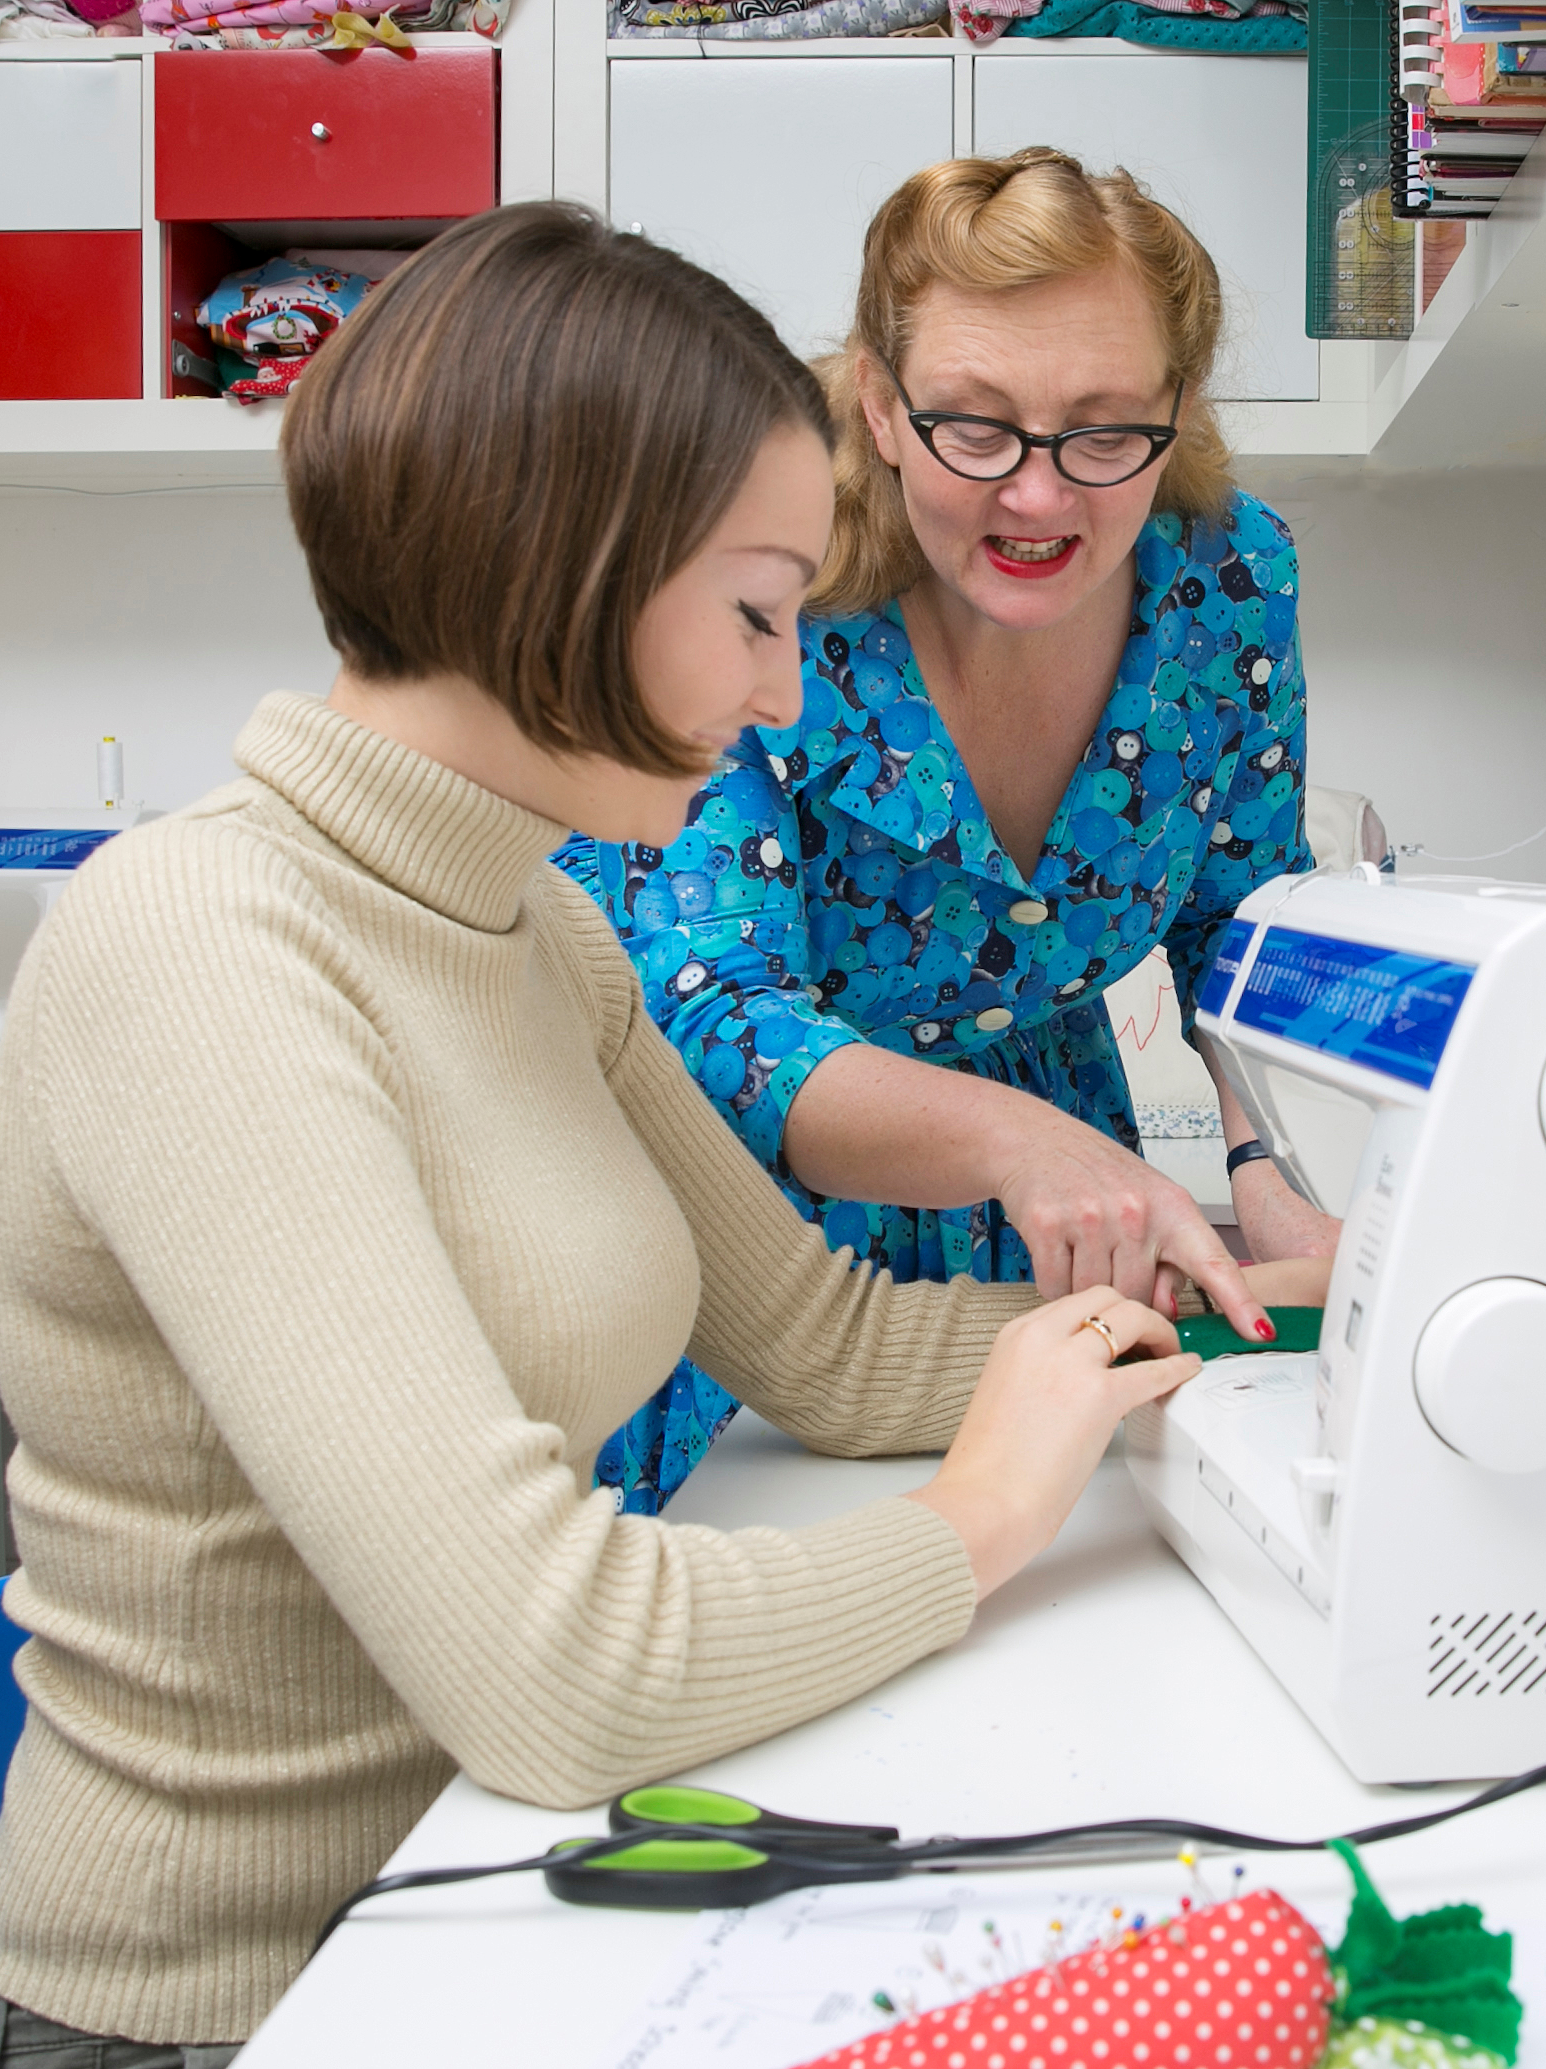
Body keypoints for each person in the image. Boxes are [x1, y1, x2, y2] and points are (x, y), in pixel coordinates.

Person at [0, 203, 1313, 2067]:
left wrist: (1232, 1321)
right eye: (753, 613)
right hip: (237, 2004)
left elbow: (817, 1343)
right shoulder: (200, 948)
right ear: (560, 572)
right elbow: (556, 1667)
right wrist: (982, 1512)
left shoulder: (533, 930)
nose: (777, 691)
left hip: (473, 1904)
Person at [562, 149, 1336, 1510]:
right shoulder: (756, 583)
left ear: (1177, 406)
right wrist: (1022, 1147)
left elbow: (1241, 916)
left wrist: (1268, 1155)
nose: (1036, 498)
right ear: (876, 400)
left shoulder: (1226, 578)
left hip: (1034, 1222)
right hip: (728, 1232)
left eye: (1102, 431)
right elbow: (710, 1009)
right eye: (973, 427)